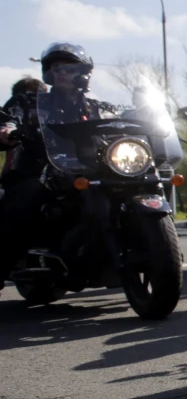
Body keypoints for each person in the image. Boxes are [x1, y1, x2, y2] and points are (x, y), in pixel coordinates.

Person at [0, 43, 110, 285]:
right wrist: (5, 130)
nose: (61, 73)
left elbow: (120, 123)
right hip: (39, 171)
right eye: (56, 68)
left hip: (89, 171)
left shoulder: (96, 107)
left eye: (68, 69)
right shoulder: (29, 101)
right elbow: (7, 118)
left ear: (83, 73)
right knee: (24, 198)